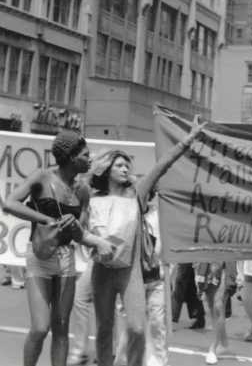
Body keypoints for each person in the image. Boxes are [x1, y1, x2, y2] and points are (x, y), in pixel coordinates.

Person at [87, 115, 206, 366]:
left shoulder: (138, 192)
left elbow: (164, 163)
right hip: (101, 270)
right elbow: (82, 230)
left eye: (127, 165)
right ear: (107, 169)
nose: (125, 169)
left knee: (137, 329)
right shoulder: (93, 196)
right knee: (104, 330)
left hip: (131, 273)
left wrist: (190, 137)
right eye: (119, 165)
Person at [4, 132, 114, 366]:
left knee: (61, 326)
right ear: (73, 157)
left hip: (66, 259)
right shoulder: (42, 177)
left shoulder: (83, 190)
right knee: (40, 328)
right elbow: (10, 203)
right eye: (85, 155)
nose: (90, 159)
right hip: (39, 256)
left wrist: (74, 225)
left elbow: (80, 234)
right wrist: (46, 219)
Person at [114, 188, 170, 366]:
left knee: (156, 322)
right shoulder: (124, 215)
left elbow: (163, 245)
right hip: (130, 277)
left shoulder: (159, 215)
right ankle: (123, 359)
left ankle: (159, 361)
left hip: (155, 276)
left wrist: (157, 266)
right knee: (128, 322)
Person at [195, 261, 236, 365]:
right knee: (212, 307)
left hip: (225, 262)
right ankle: (224, 343)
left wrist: (241, 271)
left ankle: (212, 349)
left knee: (218, 305)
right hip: (206, 263)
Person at [172, 262, 206, 329]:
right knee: (189, 282)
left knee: (180, 281)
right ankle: (197, 316)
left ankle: (173, 316)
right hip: (187, 254)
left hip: (186, 254)